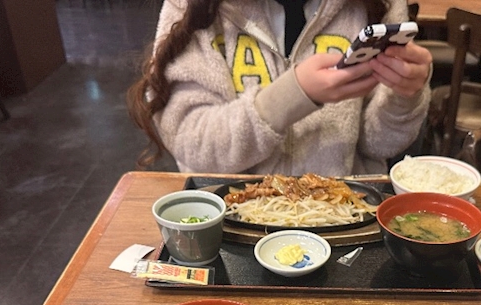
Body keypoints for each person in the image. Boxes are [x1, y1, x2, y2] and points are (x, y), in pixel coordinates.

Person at [128, 0, 432, 176]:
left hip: (342, 216)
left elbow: (377, 146)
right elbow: (191, 142)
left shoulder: (378, 4)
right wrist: (291, 97)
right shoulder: (192, 7)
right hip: (230, 220)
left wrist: (403, 97)